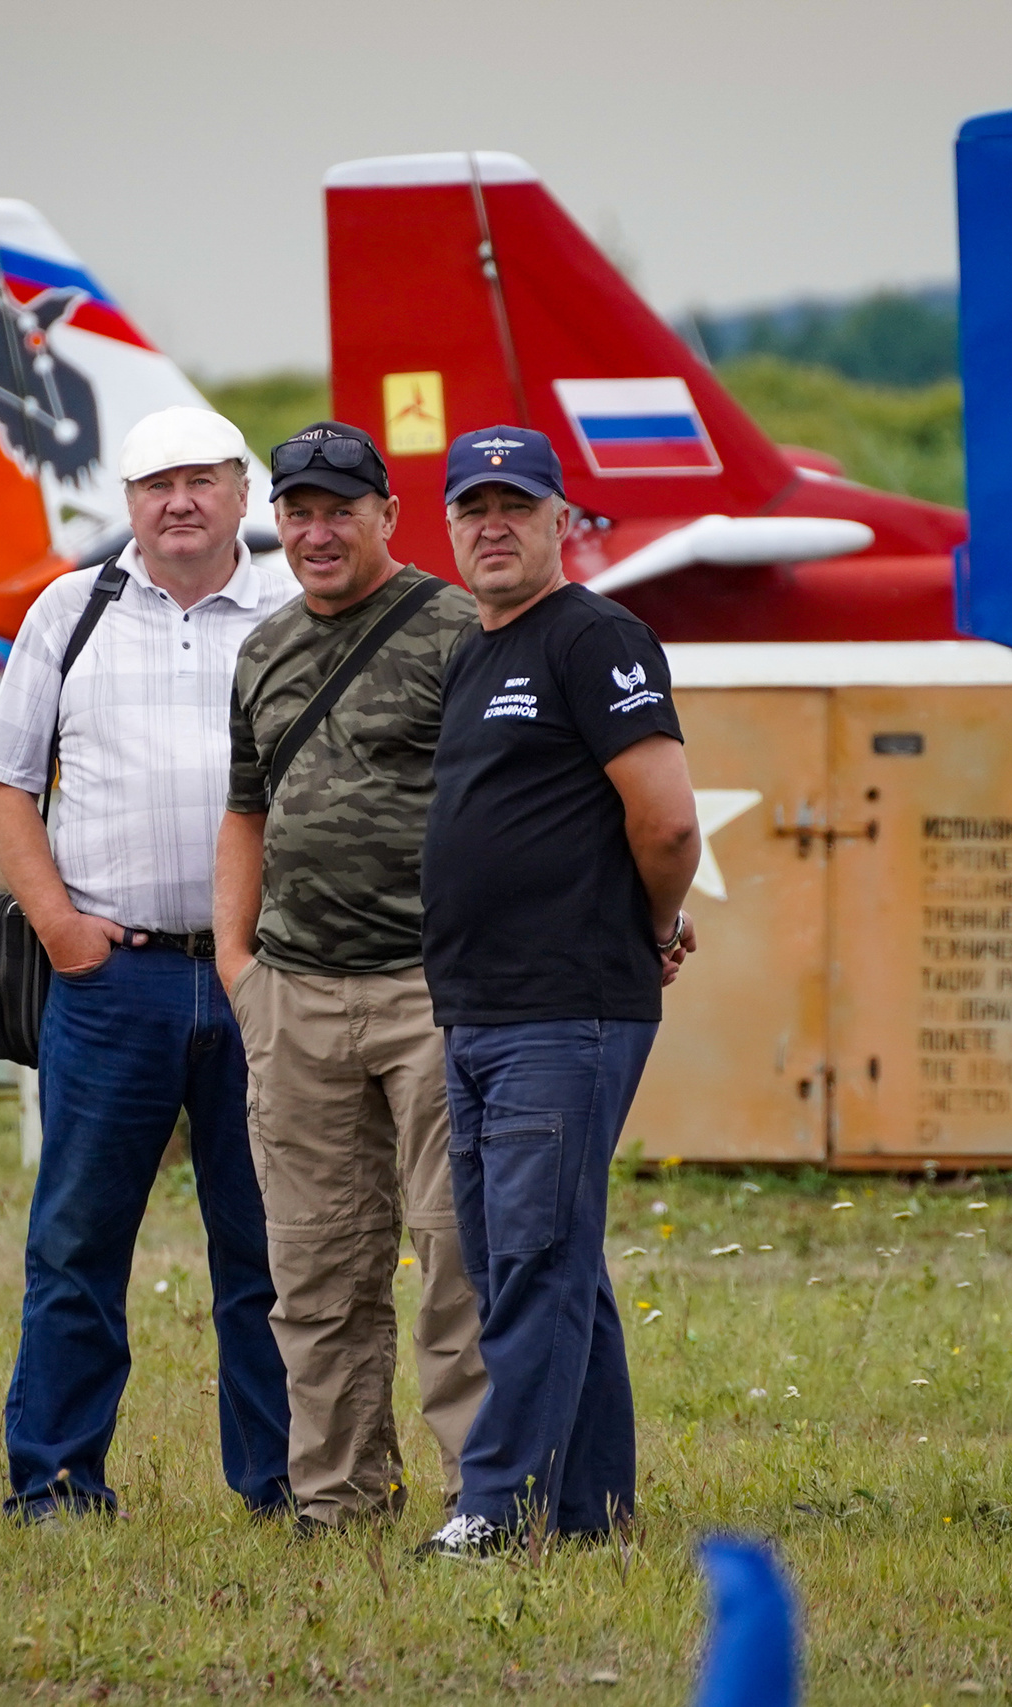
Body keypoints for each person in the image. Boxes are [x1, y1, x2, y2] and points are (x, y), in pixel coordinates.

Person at [0, 406, 295, 1523]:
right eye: (156, 483)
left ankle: (284, 1486)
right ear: (128, 503)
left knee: (269, 1250)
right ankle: (56, 1484)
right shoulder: (73, 609)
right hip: (116, 983)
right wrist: (61, 928)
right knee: (77, 1241)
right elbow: (5, 785)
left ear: (241, 494)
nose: (180, 502)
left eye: (202, 480)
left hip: (263, 980)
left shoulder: (296, 610)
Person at [411, 425, 701, 1557]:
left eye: (515, 505)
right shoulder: (475, 651)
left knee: (532, 1258)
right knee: (537, 1265)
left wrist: (650, 923)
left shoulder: (596, 636)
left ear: (558, 520)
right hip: (476, 1008)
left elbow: (667, 816)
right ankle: (588, 1510)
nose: (492, 525)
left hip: (563, 1006)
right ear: (447, 523)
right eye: (472, 506)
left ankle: (495, 1507)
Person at [214, 421, 488, 1535]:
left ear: (388, 515)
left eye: (340, 509)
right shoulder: (263, 649)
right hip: (296, 996)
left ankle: (486, 1499)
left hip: (435, 992)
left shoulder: (458, 632)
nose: (317, 532)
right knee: (317, 1270)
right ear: (276, 522)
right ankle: (339, 1500)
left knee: (457, 1259)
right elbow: (244, 813)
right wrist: (239, 967)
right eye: (297, 512)